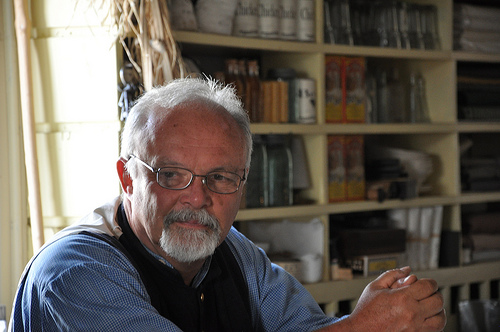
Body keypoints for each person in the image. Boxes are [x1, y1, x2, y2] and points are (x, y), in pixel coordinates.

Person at [9, 77, 446, 331]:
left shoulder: (233, 253)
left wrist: (386, 317)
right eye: (172, 175)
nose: (199, 198)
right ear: (127, 177)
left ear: (243, 184)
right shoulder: (76, 273)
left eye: (220, 178)